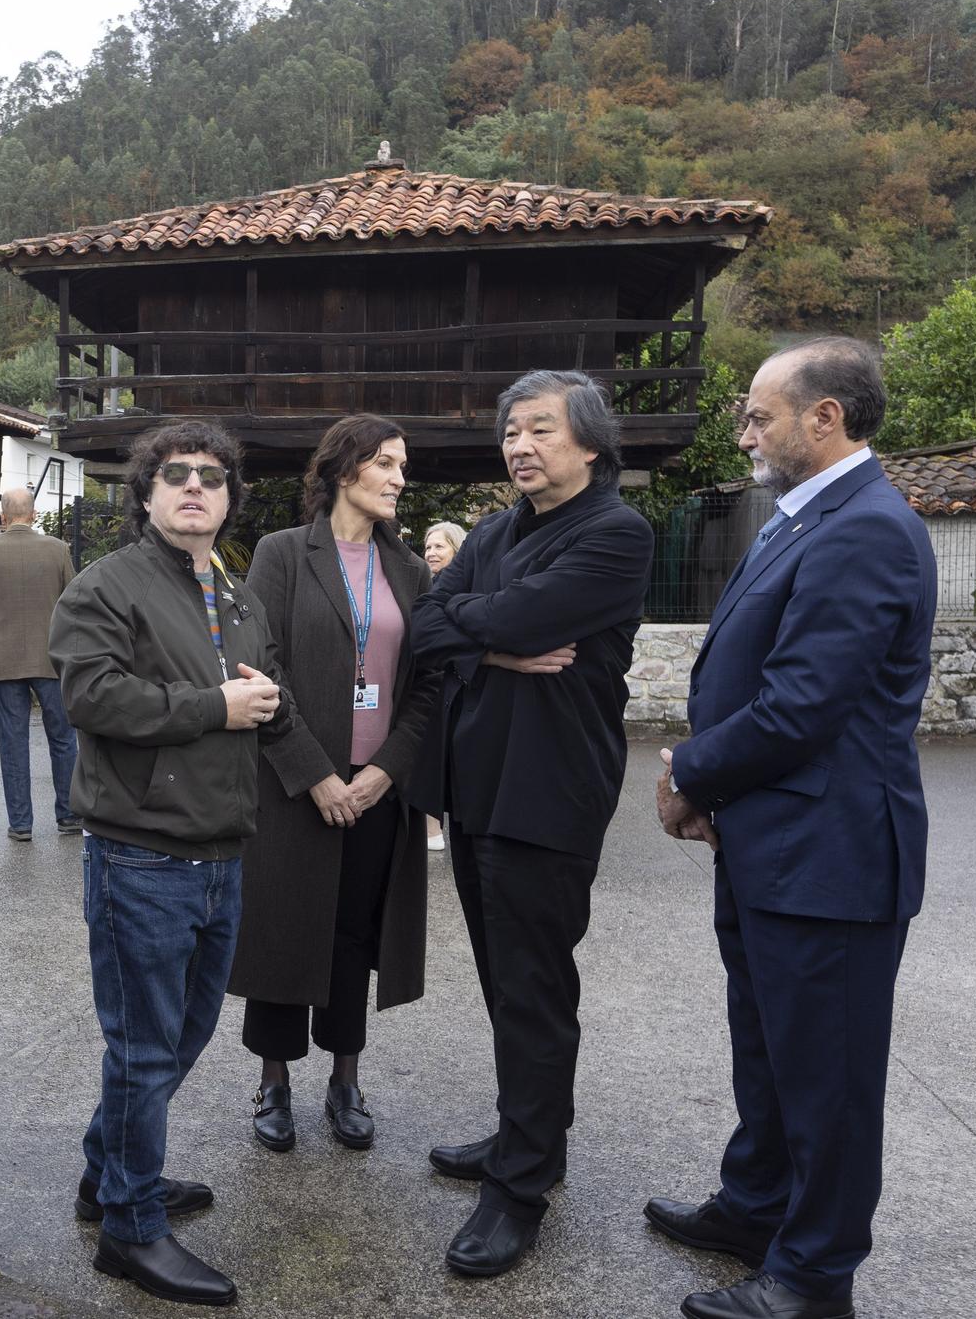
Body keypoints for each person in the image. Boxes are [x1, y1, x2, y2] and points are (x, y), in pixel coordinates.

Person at [652, 337, 936, 1319]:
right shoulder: (805, 516)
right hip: (774, 847)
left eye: (758, 413)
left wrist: (688, 768)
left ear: (825, 417)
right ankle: (754, 1206)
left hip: (833, 858)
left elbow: (800, 706)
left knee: (828, 1080)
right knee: (768, 1049)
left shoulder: (865, 529)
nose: (744, 429)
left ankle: (814, 1275)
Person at [406, 369, 654, 1277]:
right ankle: (521, 1135)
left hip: (549, 793)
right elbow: (426, 624)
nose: (520, 446)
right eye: (511, 432)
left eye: (540, 429)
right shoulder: (493, 529)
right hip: (477, 787)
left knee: (536, 990)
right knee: (505, 981)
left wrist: (480, 626)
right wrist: (498, 642)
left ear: (589, 443)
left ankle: (522, 1186)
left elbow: (514, 610)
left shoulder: (616, 533)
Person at [50, 422, 293, 1309]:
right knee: (145, 1050)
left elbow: (256, 691)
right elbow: (90, 695)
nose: (196, 487)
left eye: (213, 476)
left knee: (180, 1039)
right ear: (147, 493)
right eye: (177, 475)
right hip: (142, 855)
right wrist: (215, 705)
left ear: (230, 495)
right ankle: (131, 1227)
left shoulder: (230, 588)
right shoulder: (103, 586)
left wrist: (266, 703)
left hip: (221, 851)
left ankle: (107, 1176)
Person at [228, 415, 440, 1155]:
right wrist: (317, 772)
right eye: (386, 463)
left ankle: (345, 1080)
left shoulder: (409, 568)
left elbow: (426, 684)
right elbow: (260, 665)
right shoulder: (282, 553)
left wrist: (384, 771)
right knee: (284, 927)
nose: (398, 478)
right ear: (345, 468)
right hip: (294, 780)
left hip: (377, 786)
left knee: (356, 932)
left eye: (402, 465)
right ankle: (274, 1082)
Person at [0, 487, 78, 841]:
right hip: (51, 658)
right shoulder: (58, 550)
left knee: (13, 742)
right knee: (63, 739)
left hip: (3, 658)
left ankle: (21, 824)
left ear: (2, 517)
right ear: (32, 515)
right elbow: (72, 602)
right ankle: (69, 816)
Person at [419, 521, 469, 852]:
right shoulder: (421, 584)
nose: (431, 553)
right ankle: (429, 827)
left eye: (440, 546)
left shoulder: (466, 589)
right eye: (428, 547)